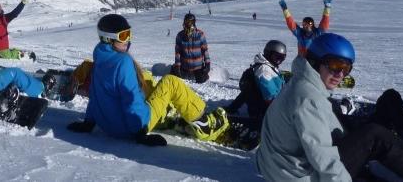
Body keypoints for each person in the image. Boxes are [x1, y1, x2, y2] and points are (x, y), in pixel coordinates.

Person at [256, 33, 403, 182]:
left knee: (384, 106)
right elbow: (323, 159)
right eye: (334, 65)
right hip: (303, 176)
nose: (340, 74)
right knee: (374, 135)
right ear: (315, 62)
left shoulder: (303, 83)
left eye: (346, 68)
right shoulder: (308, 98)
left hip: (286, 166)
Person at [66, 14, 229, 146]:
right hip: (131, 128)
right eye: (123, 36)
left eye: (129, 34)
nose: (128, 40)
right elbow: (131, 99)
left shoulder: (98, 59)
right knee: (171, 82)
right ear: (108, 39)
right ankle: (205, 124)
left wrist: (88, 123)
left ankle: (166, 111)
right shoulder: (123, 62)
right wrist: (140, 132)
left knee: (145, 76)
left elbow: (96, 93)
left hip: (109, 126)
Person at [225, 40, 287, 130]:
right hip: (266, 110)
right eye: (276, 57)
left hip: (270, 102)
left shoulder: (270, 66)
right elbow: (269, 96)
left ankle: (232, 108)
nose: (279, 61)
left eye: (281, 58)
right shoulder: (264, 70)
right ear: (268, 53)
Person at [171, 13, 210, 83]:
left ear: (194, 23)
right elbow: (178, 53)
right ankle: (174, 69)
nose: (189, 24)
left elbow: (205, 51)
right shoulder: (180, 36)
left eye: (191, 22)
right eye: (187, 22)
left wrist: (207, 64)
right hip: (184, 66)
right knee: (174, 79)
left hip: (197, 67)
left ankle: (203, 74)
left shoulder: (200, 35)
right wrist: (177, 66)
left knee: (201, 80)